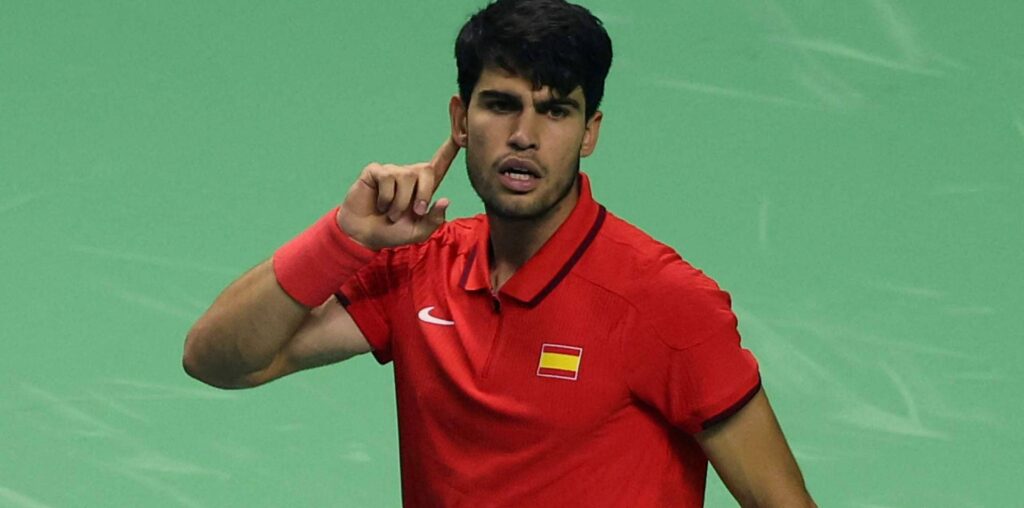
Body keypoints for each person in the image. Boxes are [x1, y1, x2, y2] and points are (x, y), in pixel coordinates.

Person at [184, 0, 817, 505]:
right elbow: (220, 360)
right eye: (500, 104)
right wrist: (344, 239)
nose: (524, 135)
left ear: (590, 131)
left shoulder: (663, 302)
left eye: (556, 111)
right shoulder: (416, 265)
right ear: (460, 120)